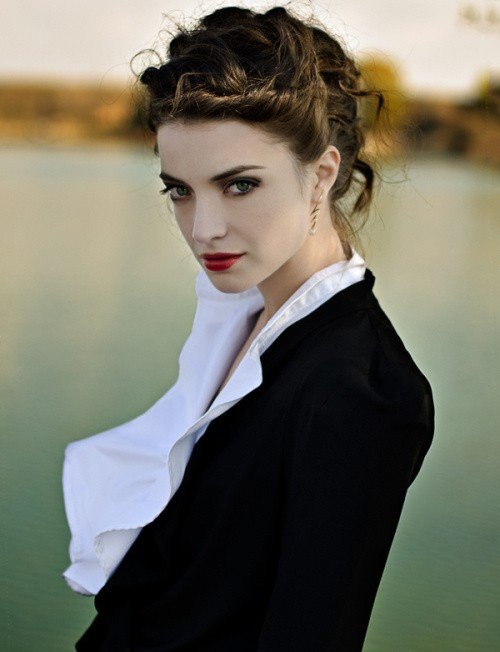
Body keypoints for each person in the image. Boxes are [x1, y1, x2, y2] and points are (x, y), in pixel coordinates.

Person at [62, 5, 435, 650]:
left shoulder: (359, 391)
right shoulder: (243, 314)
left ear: (320, 176)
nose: (202, 229)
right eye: (179, 190)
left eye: (238, 186)